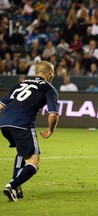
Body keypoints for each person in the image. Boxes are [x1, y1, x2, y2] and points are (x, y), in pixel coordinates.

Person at [0, 61, 59, 201]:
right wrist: (51, 130)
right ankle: (12, 185)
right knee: (33, 162)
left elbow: (1, 105)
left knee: (22, 152)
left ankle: (17, 186)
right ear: (49, 74)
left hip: (4, 124)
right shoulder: (48, 88)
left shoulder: (19, 85)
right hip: (23, 124)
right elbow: (53, 115)